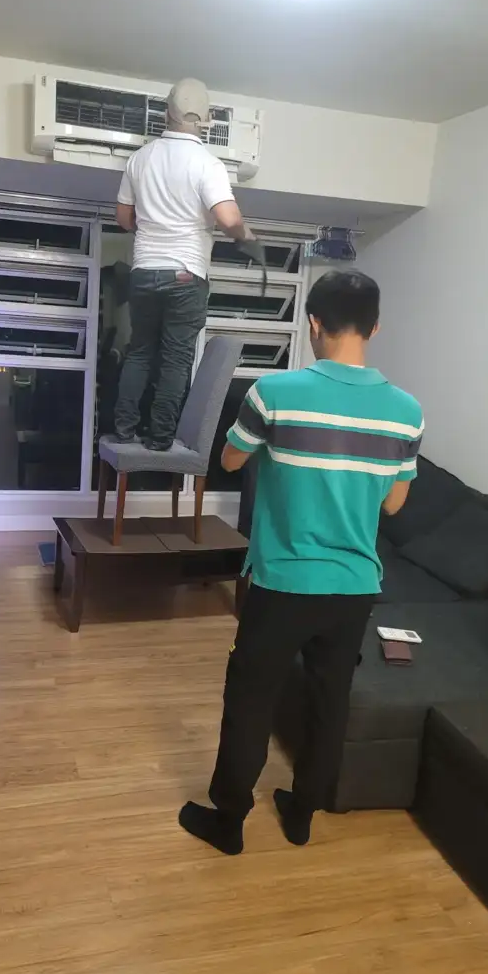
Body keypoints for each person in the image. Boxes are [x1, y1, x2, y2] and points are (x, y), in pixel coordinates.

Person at [179, 270, 424, 855]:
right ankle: (302, 811)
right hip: (354, 588)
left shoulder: (275, 393)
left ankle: (230, 821)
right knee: (328, 701)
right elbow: (394, 500)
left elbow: (232, 462)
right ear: (375, 327)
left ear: (313, 323)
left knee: (251, 700)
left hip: (282, 581)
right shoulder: (406, 413)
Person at [113, 77, 263, 451]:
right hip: (185, 273)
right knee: (176, 358)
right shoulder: (208, 164)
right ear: (208, 119)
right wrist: (249, 238)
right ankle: (160, 437)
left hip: (144, 270)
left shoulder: (140, 158)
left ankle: (123, 428)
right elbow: (228, 220)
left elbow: (124, 220)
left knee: (140, 350)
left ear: (166, 113)